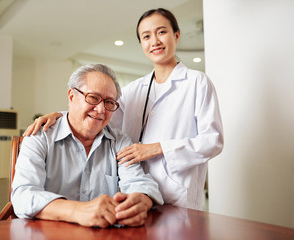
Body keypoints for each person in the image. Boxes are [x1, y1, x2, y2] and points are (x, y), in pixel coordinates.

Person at [23, 8, 224, 210]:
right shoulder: (133, 90)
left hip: (178, 197)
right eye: (146, 36)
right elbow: (99, 116)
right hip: (133, 194)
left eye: (161, 32)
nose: (154, 41)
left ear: (176, 35)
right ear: (141, 44)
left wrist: (157, 148)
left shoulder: (198, 83)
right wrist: (60, 116)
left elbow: (213, 141)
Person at [11, 64, 163, 228]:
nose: (101, 110)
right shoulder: (39, 137)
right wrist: (78, 211)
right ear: (71, 96)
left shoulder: (119, 141)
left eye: (109, 102)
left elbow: (139, 182)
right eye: (93, 97)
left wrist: (142, 201)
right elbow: (23, 196)